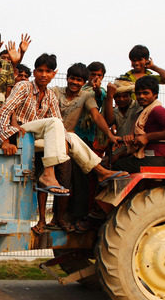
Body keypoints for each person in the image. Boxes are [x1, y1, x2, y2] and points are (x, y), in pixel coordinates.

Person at [0, 55, 122, 234]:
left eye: (48, 71)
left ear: (54, 74)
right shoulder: (23, 86)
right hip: (22, 134)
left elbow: (61, 128)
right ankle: (50, 174)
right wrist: (5, 140)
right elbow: (5, 110)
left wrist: (66, 139)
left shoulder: (49, 96)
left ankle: (99, 171)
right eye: (40, 71)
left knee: (70, 136)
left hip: (40, 141)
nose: (43, 75)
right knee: (55, 123)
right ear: (34, 72)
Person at [50, 63, 117, 230]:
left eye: (79, 80)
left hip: (72, 143)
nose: (75, 82)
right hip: (53, 140)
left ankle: (71, 218)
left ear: (83, 82)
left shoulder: (86, 97)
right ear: (67, 78)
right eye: (72, 78)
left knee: (76, 182)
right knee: (60, 181)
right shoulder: (56, 92)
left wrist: (109, 134)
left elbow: (96, 115)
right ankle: (55, 218)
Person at [109, 75, 165, 172]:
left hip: (156, 158)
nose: (141, 97)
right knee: (115, 161)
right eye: (138, 94)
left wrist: (147, 137)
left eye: (145, 93)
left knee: (117, 166)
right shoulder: (144, 112)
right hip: (148, 156)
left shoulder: (157, 110)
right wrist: (119, 154)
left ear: (155, 95)